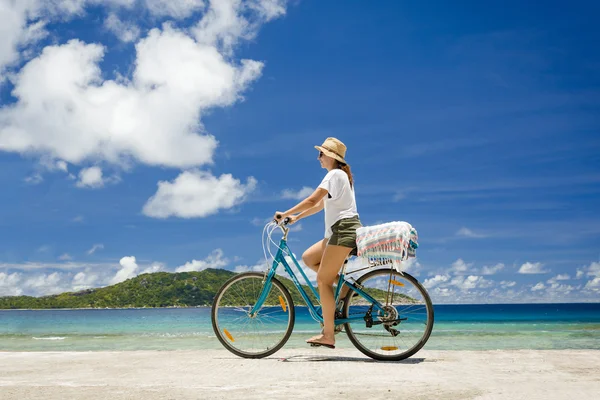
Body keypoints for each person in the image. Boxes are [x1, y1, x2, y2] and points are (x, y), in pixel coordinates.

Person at [274, 137, 361, 349]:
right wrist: (296, 218)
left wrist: (285, 212)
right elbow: (318, 206)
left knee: (323, 280)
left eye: (321, 154)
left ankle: (328, 335)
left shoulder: (334, 175)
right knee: (308, 258)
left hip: (343, 231)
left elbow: (312, 200)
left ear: (330, 156)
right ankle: (346, 290)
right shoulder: (340, 176)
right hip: (337, 233)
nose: (318, 158)